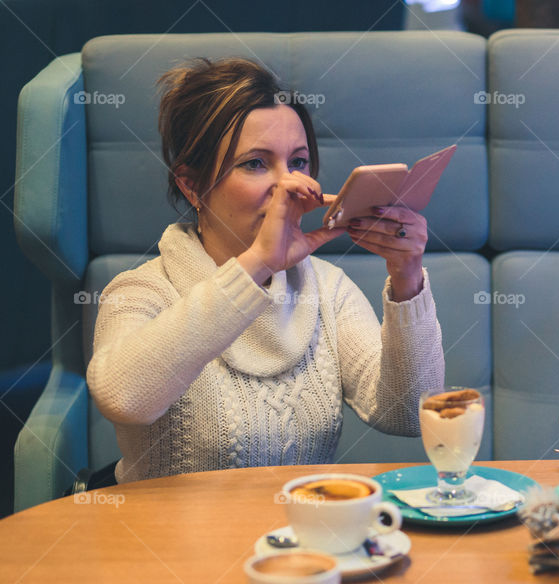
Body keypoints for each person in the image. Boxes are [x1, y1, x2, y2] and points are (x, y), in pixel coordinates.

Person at [86, 58, 444, 484]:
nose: (290, 184)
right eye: (256, 163)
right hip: (170, 544)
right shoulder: (138, 291)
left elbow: (407, 412)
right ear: (192, 185)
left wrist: (407, 279)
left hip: (304, 539)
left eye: (298, 162)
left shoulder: (326, 289)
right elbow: (124, 398)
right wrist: (258, 264)